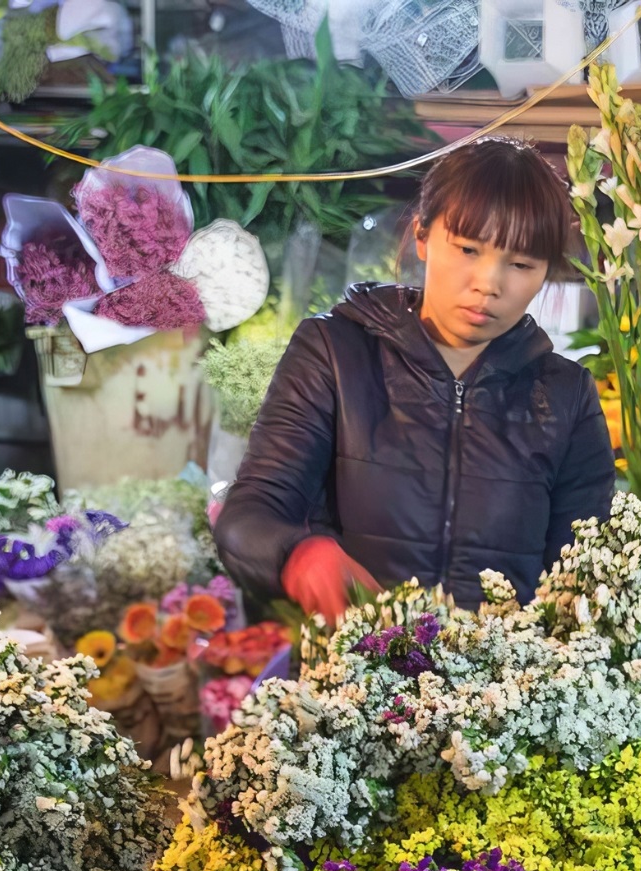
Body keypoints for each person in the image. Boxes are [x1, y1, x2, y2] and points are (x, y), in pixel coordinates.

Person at [214, 136, 616, 621]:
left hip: (504, 667)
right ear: (423, 236)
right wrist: (298, 554)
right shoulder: (335, 353)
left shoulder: (565, 396)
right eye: (468, 249)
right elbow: (249, 515)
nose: (489, 284)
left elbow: (584, 576)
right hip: (356, 660)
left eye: (520, 264)